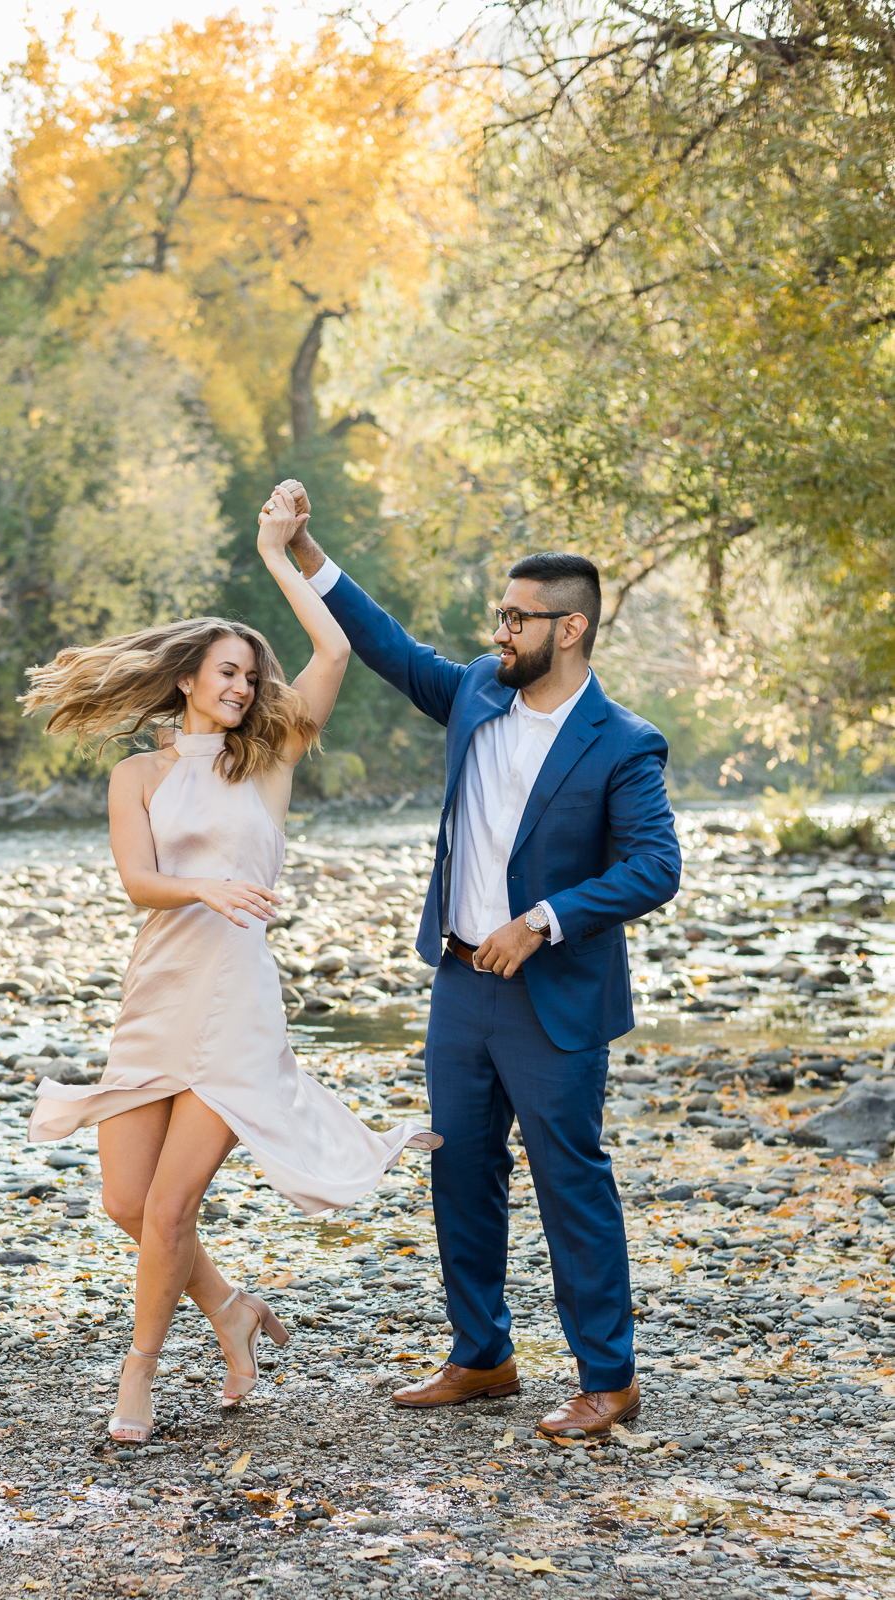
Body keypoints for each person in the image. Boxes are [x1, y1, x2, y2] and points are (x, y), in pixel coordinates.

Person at [22, 484, 440, 1439]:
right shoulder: (138, 775)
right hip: (158, 993)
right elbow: (138, 881)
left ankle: (138, 1375)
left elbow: (333, 650)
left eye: (251, 674)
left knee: (169, 1208)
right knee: (126, 1201)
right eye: (227, 671)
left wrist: (275, 556)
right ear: (185, 679)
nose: (244, 686)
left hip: (237, 1007)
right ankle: (231, 1308)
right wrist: (204, 889)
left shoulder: (270, 760)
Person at [281, 489, 681, 1436]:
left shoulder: (623, 743)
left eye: (517, 616)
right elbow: (384, 645)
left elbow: (655, 867)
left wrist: (543, 919)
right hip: (459, 985)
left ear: (571, 628)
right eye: (499, 613)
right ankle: (483, 1356)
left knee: (567, 1178)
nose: (499, 628)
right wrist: (307, 552)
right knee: (459, 1169)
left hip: (553, 996)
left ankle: (608, 1380)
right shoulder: (475, 692)